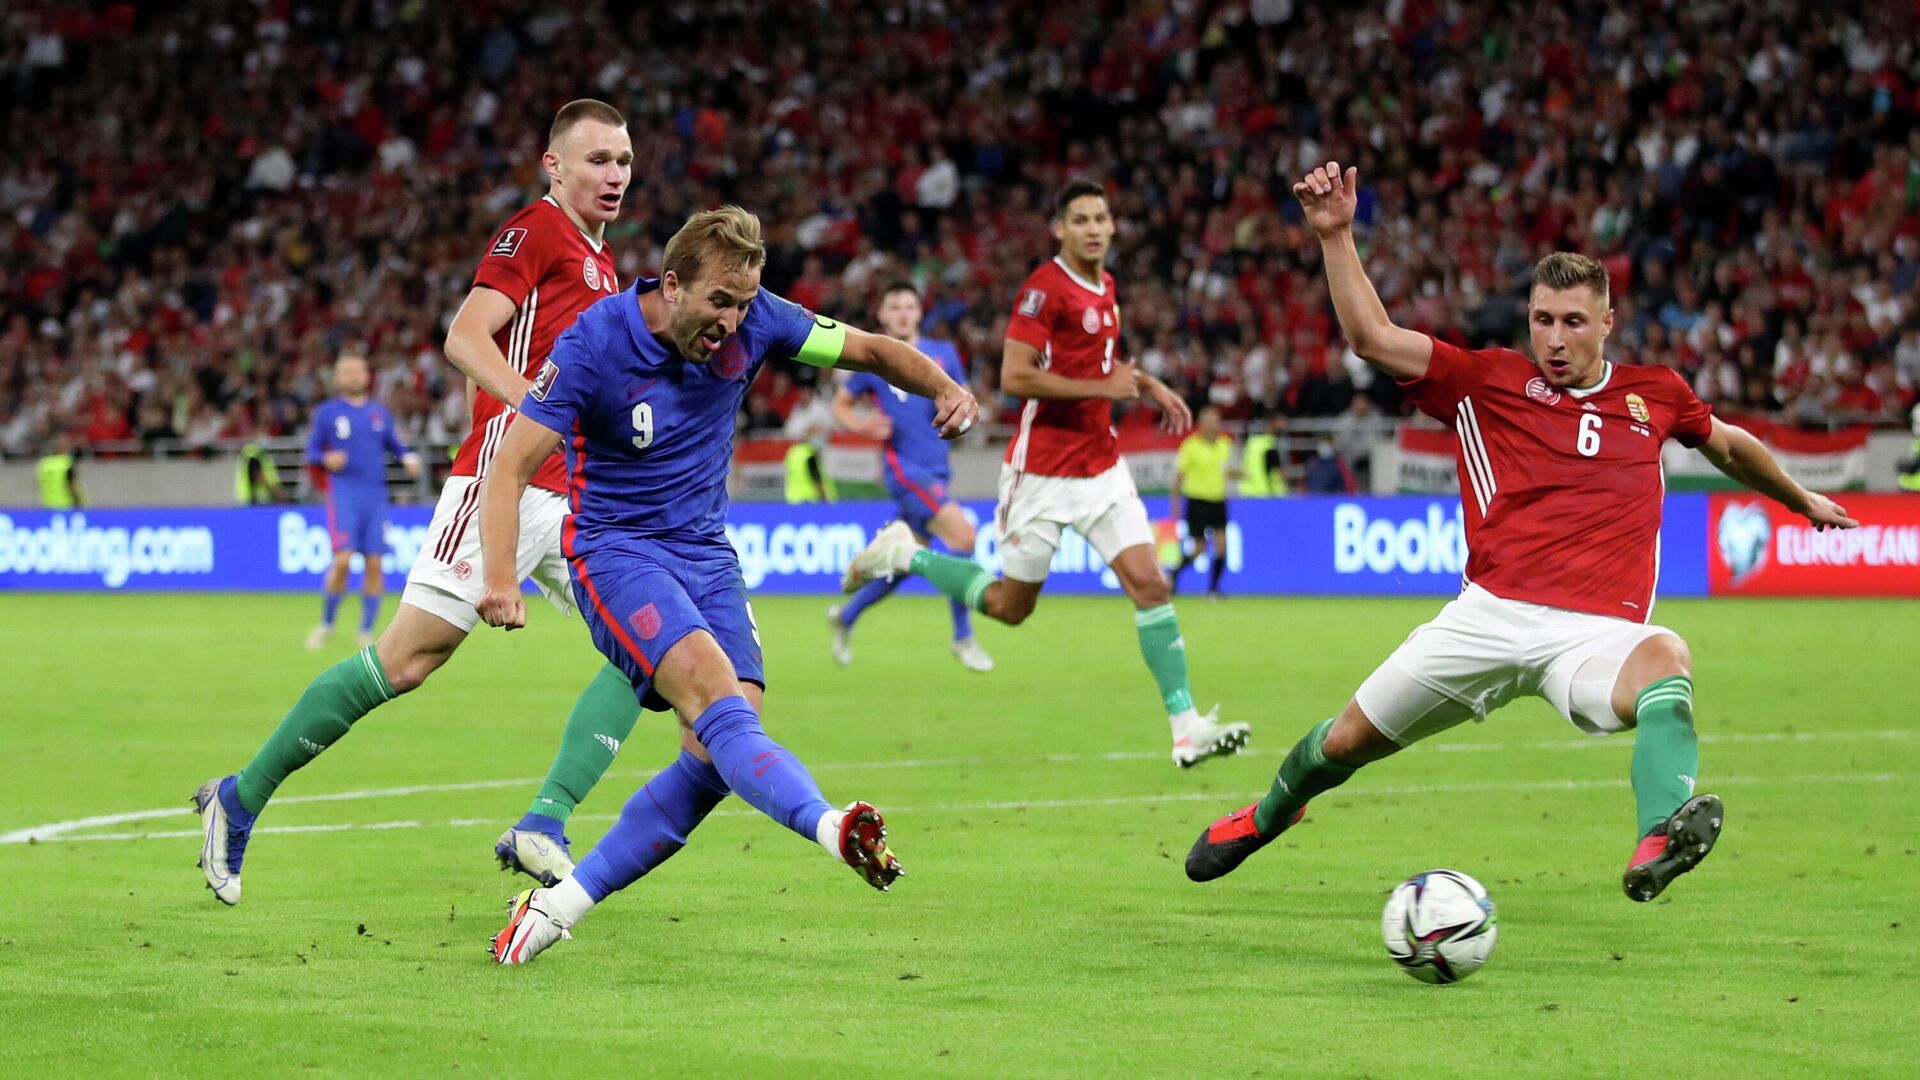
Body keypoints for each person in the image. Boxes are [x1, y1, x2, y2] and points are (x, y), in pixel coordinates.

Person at [1185, 162, 1857, 902]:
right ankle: (1268, 814)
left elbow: (1728, 445)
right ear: (1528, 318)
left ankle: (1662, 832)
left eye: (1574, 321)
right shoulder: (1487, 379)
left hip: (1598, 634)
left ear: (1607, 322)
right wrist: (1337, 235)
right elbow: (1372, 338)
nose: (1557, 338)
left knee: (1668, 656)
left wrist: (1799, 499)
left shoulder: (1657, 394)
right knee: (1345, 741)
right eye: (1544, 320)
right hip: (1488, 616)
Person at [481, 205, 979, 964]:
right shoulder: (593, 343)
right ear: (673, 284)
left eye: (745, 303)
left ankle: (556, 906)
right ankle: (830, 825)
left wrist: (944, 386)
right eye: (720, 301)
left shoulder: (762, 321)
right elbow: (511, 464)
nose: (732, 321)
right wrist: (498, 578)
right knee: (716, 700)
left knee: (718, 752)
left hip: (707, 554)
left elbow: (873, 350)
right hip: (618, 554)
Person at [194, 100, 639, 905]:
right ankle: (240, 797)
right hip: (501, 484)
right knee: (404, 662)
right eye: (597, 159)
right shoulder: (536, 232)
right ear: (555, 166)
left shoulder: (603, 263)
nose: (613, 175)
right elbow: (465, 340)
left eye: (623, 162)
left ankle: (547, 820)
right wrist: (533, 404)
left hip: (572, 498)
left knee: (648, 649)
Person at [843, 179, 1250, 768]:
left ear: (1112, 227)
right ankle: (906, 556)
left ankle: (1186, 727)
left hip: (1102, 467)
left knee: (1152, 585)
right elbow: (1016, 377)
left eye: (1100, 218)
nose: (1092, 228)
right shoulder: (1043, 290)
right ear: (1060, 229)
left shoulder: (1106, 287)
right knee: (1012, 607)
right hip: (1041, 474)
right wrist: (1103, 387)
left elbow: (1104, 368)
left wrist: (1145, 384)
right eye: (1079, 219)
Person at [827, 281, 994, 672]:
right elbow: (841, 405)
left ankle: (846, 616)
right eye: (894, 307)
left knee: (902, 563)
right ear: (882, 315)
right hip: (905, 470)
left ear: (919, 313)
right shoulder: (874, 357)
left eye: (909, 306)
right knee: (964, 535)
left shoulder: (943, 353)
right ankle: (963, 636)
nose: (902, 313)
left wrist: (966, 417)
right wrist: (860, 425)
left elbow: (964, 400)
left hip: (937, 468)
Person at [302, 352, 421, 649]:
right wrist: (326, 458)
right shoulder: (328, 413)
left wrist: (406, 457)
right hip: (344, 493)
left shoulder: (379, 413)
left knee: (374, 562)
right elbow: (312, 452)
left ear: (367, 376)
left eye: (359, 371)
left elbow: (394, 443)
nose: (354, 377)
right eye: (348, 372)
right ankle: (326, 624)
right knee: (342, 560)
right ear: (338, 378)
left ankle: (366, 630)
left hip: (375, 495)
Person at [1169, 405, 1234, 599]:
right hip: (1197, 501)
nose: (1213, 425)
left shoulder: (1225, 444)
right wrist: (1175, 503)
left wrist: (1239, 474)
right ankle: (1174, 573)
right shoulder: (1190, 446)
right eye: (1208, 421)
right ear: (1200, 424)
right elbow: (1178, 477)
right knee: (1199, 549)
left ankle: (1213, 589)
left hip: (1218, 500)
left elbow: (1225, 469)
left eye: (1215, 421)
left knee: (1222, 546)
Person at [35, 432, 83, 508]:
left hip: (48, 506)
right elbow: (72, 486)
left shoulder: (43, 464)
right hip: (66, 507)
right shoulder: (67, 463)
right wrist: (80, 504)